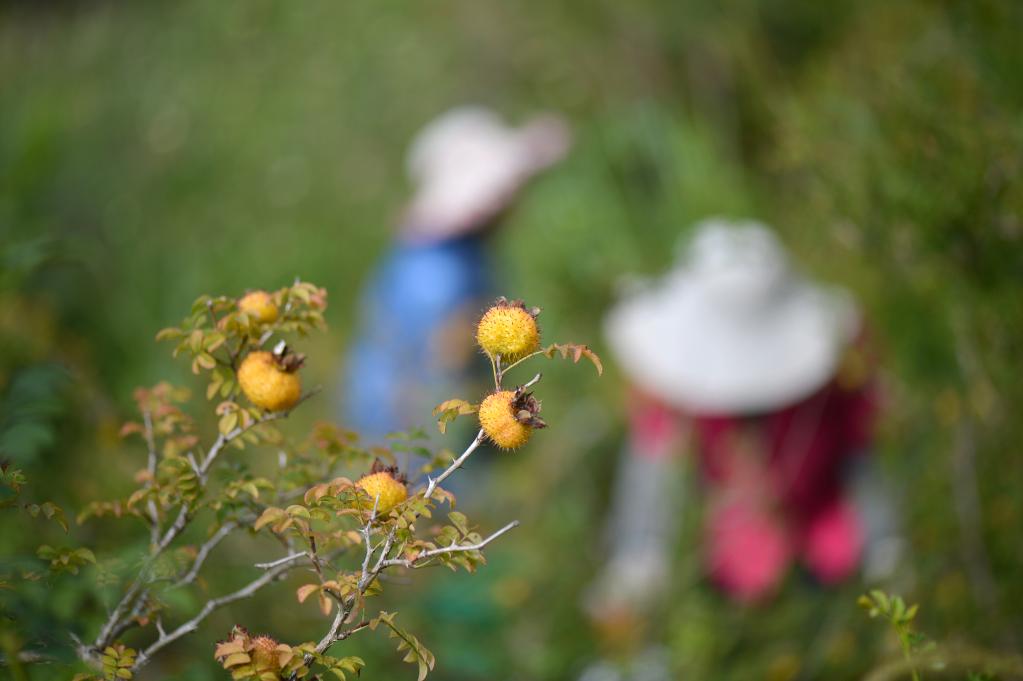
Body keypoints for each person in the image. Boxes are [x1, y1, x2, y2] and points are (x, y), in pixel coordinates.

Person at [587, 218, 903, 618]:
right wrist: (640, 558)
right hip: (719, 558)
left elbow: (863, 458)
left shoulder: (834, 374)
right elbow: (652, 467)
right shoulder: (674, 392)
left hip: (828, 547)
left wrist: (886, 545)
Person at [341, 106, 570, 444]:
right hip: (413, 429)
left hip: (383, 410)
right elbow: (447, 368)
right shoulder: (445, 279)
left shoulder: (442, 253)